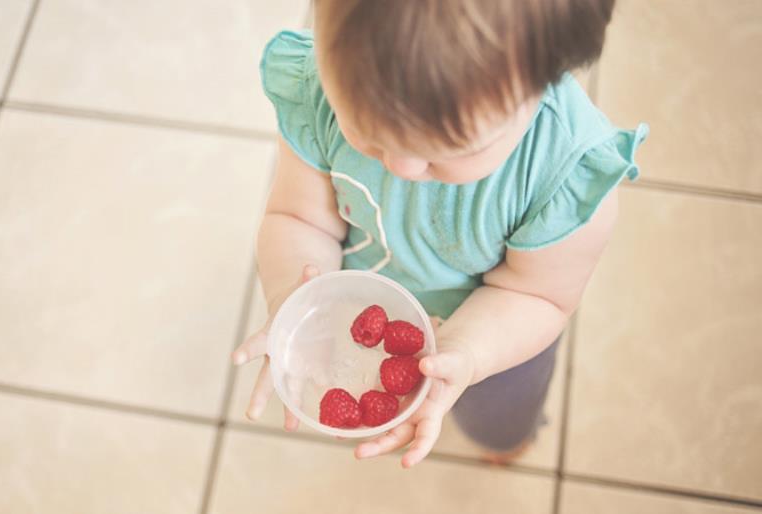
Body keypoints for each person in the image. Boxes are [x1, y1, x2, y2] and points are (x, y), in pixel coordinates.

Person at [232, 0, 647, 468]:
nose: (401, 167)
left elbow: (539, 296)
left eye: (446, 152)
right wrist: (293, 299)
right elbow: (300, 218)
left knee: (498, 417)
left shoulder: (564, 174)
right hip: (367, 301)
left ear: (546, 79)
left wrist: (467, 353)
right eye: (367, 131)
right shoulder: (323, 89)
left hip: (497, 333)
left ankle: (505, 441)